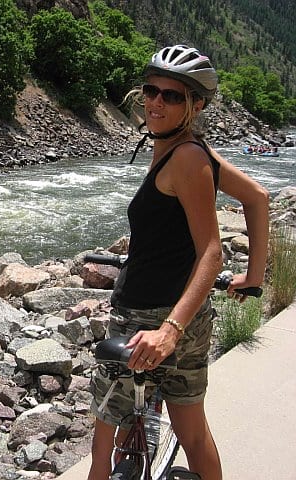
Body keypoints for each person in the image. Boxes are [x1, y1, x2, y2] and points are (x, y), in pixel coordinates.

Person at [87, 45, 269, 480]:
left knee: (100, 447)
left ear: (196, 104)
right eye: (151, 90)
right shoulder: (189, 148)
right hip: (190, 316)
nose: (156, 102)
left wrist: (169, 329)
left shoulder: (186, 158)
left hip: (147, 322)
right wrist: (254, 278)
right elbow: (258, 198)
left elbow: (211, 250)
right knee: (194, 437)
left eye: (172, 96)